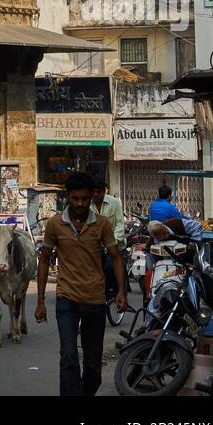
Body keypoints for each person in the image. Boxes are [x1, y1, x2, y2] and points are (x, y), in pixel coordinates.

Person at [36, 170, 126, 397]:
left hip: (95, 300)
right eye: (75, 198)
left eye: (85, 199)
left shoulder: (102, 224)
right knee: (68, 357)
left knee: (93, 364)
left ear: (91, 197)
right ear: (67, 196)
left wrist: (121, 292)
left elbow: (116, 257)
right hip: (66, 298)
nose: (80, 203)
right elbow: (44, 261)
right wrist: (40, 301)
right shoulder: (55, 224)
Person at [91, 178, 125, 302]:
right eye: (93, 192)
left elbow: (120, 224)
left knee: (110, 267)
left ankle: (117, 291)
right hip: (95, 246)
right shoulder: (88, 204)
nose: (96, 195)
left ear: (104, 191)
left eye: (98, 192)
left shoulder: (114, 203)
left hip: (114, 245)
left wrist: (111, 243)